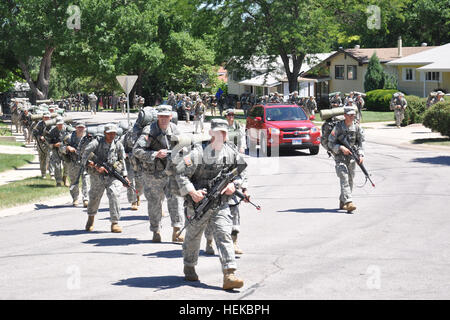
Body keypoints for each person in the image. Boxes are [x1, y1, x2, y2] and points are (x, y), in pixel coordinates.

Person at [173, 118, 248, 290]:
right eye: (217, 132)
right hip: (198, 204)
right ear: (210, 133)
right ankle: (189, 265)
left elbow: (242, 172)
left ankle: (229, 273)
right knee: (193, 238)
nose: (220, 135)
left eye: (223, 132)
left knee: (224, 234)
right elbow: (180, 174)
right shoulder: (198, 152)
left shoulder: (230, 152)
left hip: (220, 204)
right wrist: (192, 192)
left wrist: (233, 185)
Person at [133, 105, 185, 243]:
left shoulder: (175, 129)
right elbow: (136, 150)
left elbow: (183, 148)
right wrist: (155, 154)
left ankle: (177, 231)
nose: (163, 119)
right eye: (161, 116)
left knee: (176, 200)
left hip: (171, 171)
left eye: (166, 116)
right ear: (157, 117)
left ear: (170, 117)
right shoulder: (149, 131)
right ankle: (156, 231)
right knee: (155, 203)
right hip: (152, 174)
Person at [81, 123, 129, 233]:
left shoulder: (118, 145)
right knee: (94, 197)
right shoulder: (96, 143)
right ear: (104, 133)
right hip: (97, 176)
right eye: (109, 133)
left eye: (114, 133)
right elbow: (83, 157)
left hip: (112, 176)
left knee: (114, 195)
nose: (112, 136)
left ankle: (115, 222)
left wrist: (125, 176)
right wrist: (96, 166)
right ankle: (91, 218)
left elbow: (122, 160)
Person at [327, 106, 365, 213]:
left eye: (353, 115)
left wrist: (361, 155)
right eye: (350, 115)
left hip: (352, 157)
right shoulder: (338, 128)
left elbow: (361, 142)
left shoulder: (357, 127)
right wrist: (340, 147)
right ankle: (349, 202)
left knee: (350, 179)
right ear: (345, 116)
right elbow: (330, 142)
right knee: (344, 177)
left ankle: (342, 200)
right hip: (340, 156)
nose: (353, 116)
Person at [61, 121, 90, 207]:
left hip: (85, 163)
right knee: (74, 181)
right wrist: (67, 148)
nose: (80, 129)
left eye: (82, 127)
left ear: (84, 128)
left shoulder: (88, 137)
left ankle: (86, 199)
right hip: (73, 163)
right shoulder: (69, 138)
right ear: (75, 128)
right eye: (79, 127)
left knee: (86, 180)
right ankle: (75, 198)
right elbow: (61, 148)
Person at [46, 116, 68, 187]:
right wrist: (54, 145)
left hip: (65, 150)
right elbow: (48, 143)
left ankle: (65, 178)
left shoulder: (67, 130)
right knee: (57, 166)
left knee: (66, 165)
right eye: (58, 124)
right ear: (56, 124)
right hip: (56, 150)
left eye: (61, 124)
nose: (60, 126)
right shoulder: (52, 132)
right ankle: (58, 181)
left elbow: (71, 139)